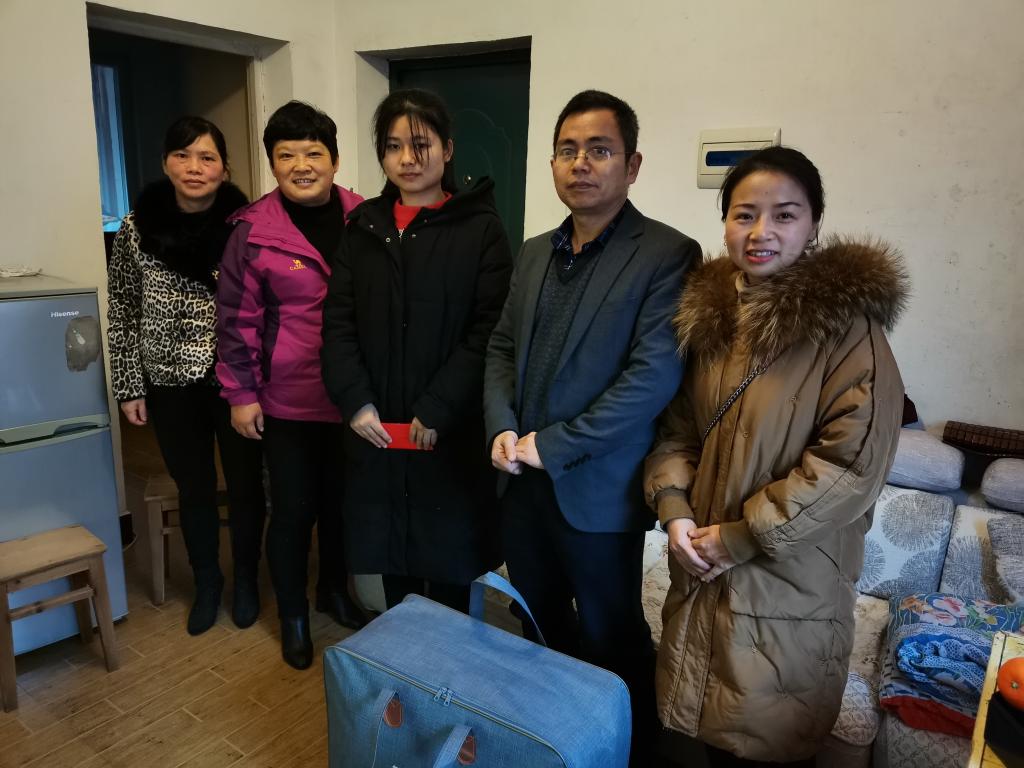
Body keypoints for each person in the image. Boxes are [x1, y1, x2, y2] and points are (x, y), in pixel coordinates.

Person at [644, 146, 908, 766]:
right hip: (701, 569)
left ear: (813, 225)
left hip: (791, 585)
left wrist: (738, 537)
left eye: (785, 215)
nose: (762, 231)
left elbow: (849, 467)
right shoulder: (710, 321)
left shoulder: (849, 332)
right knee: (705, 735)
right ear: (725, 224)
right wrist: (675, 509)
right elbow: (677, 430)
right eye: (745, 214)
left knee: (769, 744)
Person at [483, 90, 701, 765]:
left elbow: (651, 380)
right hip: (521, 485)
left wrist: (552, 446)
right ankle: (559, 741)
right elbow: (501, 349)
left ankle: (630, 753)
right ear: (553, 163)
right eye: (568, 150)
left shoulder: (667, 254)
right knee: (537, 621)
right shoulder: (532, 253)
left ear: (631, 166)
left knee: (612, 637)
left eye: (600, 150)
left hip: (599, 491)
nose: (581, 163)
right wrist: (500, 426)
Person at [321, 89, 512, 612]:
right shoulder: (363, 229)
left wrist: (438, 407)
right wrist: (356, 401)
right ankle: (402, 660)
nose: (407, 158)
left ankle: (446, 665)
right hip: (377, 431)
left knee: (449, 573)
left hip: (447, 435)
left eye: (421, 144)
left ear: (447, 150)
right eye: (393, 146)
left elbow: (490, 330)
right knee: (395, 574)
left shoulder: (481, 230)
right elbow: (337, 323)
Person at [216, 101, 365, 670]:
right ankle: (295, 616)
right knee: (294, 512)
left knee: (342, 508)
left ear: (334, 159)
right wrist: (241, 394)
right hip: (287, 401)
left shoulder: (365, 217)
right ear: (272, 163)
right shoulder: (253, 232)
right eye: (287, 156)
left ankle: (333, 591)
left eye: (313, 153)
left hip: (353, 400)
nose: (302, 166)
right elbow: (236, 321)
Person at [107, 116, 265, 636]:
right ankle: (208, 583)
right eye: (183, 155)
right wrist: (129, 385)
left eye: (207, 157)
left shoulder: (245, 227)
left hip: (235, 380)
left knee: (245, 485)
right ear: (165, 163)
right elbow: (123, 309)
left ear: (224, 169)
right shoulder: (135, 228)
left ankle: (246, 580)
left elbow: (262, 306)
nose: (194, 167)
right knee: (193, 487)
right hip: (167, 378)